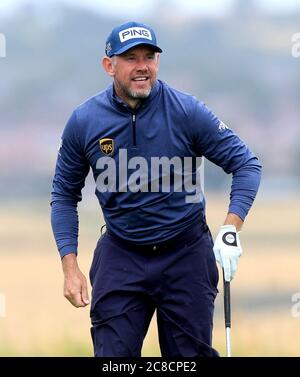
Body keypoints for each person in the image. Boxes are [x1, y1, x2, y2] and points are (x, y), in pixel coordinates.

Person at [51, 21, 262, 357]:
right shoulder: (85, 121)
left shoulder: (187, 111)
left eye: (149, 57)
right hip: (121, 253)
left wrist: (231, 229)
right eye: (131, 58)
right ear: (109, 66)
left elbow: (246, 164)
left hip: (186, 253)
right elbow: (64, 195)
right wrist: (70, 266)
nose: (142, 67)